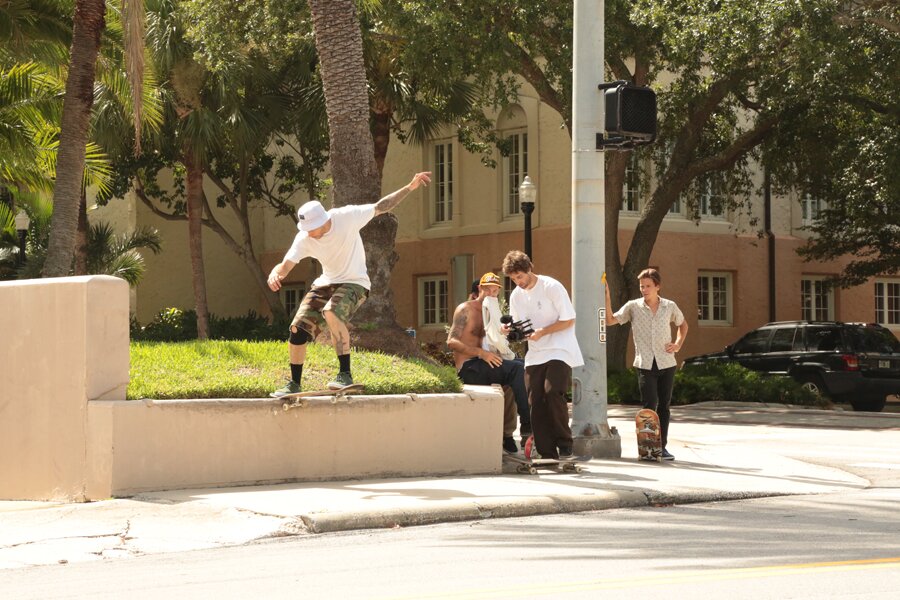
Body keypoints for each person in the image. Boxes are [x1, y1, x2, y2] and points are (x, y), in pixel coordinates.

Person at [268, 172, 432, 396]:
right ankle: (294, 383)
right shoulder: (304, 238)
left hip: (355, 283)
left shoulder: (346, 217)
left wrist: (410, 186)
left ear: (324, 221)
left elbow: (382, 206)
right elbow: (285, 265)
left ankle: (345, 374)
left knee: (332, 313)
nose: (309, 235)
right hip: (326, 282)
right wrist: (276, 274)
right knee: (297, 330)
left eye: (312, 229)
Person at [501, 251, 583, 460]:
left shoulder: (551, 287)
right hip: (536, 353)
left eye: (520, 276)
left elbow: (569, 320)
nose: (517, 282)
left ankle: (565, 445)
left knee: (552, 391)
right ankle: (547, 452)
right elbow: (519, 327)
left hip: (559, 348)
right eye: (513, 278)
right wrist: (509, 331)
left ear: (530, 269)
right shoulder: (516, 295)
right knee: (535, 400)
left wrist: (544, 331)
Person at [605, 268, 688, 461]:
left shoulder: (669, 306)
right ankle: (648, 447)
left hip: (666, 363)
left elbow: (683, 325)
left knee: (664, 407)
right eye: (642, 286)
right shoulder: (633, 306)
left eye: (648, 286)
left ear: (657, 286)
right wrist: (607, 297)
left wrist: (677, 345)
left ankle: (662, 447)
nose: (644, 289)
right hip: (644, 364)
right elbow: (610, 320)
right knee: (649, 406)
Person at [447, 272, 531, 454]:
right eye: (488, 290)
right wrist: (480, 353)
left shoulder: (494, 312)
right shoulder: (466, 309)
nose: (492, 294)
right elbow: (451, 341)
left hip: (488, 363)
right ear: (480, 289)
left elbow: (496, 341)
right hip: (469, 366)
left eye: (495, 291)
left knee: (524, 366)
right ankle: (527, 427)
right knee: (516, 369)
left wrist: (506, 335)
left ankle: (507, 434)